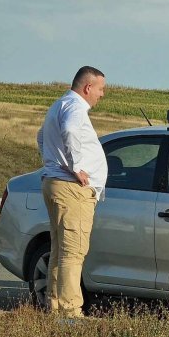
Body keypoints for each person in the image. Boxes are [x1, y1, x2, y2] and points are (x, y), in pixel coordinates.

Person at [37, 66, 108, 318]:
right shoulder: (76, 108)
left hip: (56, 182)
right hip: (71, 188)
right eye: (101, 89)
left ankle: (55, 305)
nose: (102, 95)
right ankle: (70, 311)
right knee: (73, 251)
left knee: (60, 249)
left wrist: (52, 162)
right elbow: (69, 130)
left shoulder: (59, 104)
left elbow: (41, 137)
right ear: (88, 87)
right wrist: (77, 167)